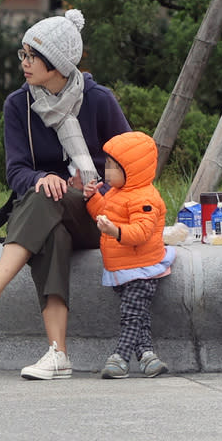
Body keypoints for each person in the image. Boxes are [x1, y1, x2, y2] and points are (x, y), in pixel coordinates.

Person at [0, 8, 130, 380]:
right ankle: (58, 353)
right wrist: (41, 177)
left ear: (58, 65)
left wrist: (99, 185)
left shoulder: (99, 100)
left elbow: (133, 161)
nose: (25, 64)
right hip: (48, 211)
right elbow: (16, 171)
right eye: (23, 54)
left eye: (32, 56)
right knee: (52, 230)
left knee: (49, 197)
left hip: (100, 214)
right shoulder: (18, 104)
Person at [82, 130, 174, 379]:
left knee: (131, 316)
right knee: (139, 315)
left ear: (132, 170)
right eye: (107, 165)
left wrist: (115, 230)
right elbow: (105, 212)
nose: (106, 171)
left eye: (112, 167)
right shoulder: (117, 193)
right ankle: (148, 357)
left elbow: (142, 232)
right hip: (123, 266)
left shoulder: (145, 198)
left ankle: (120, 358)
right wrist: (92, 198)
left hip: (141, 267)